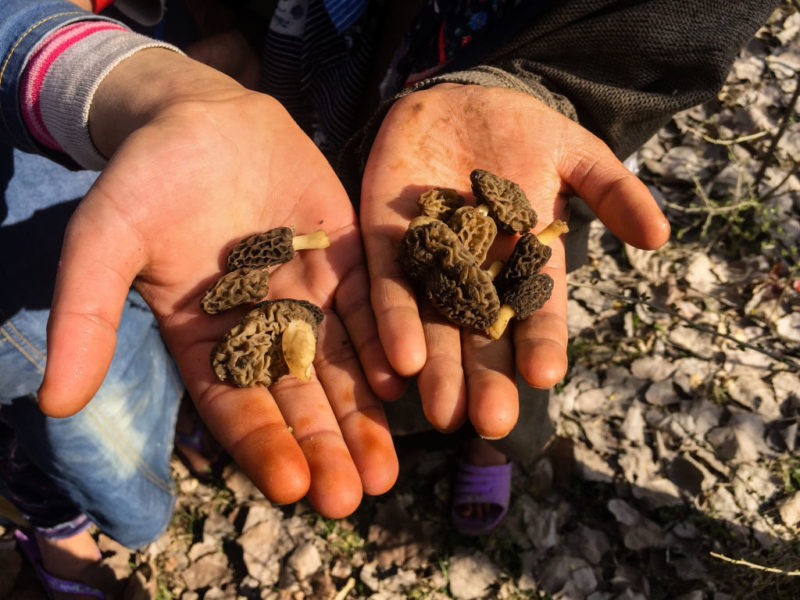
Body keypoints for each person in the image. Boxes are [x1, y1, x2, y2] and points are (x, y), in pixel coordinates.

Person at [0, 0, 779, 596]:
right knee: (374, 313)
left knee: (501, 349)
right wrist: (165, 57)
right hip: (296, 117)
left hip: (494, 113)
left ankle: (491, 442)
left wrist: (548, 78)